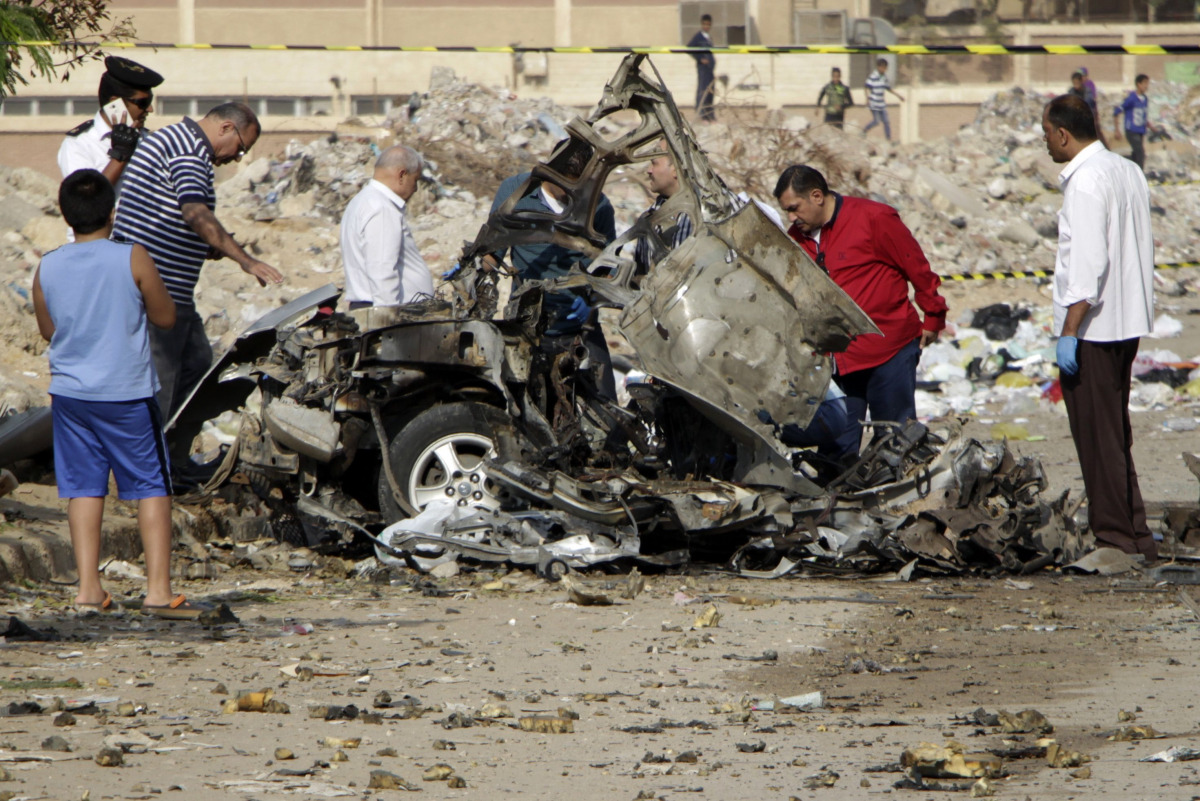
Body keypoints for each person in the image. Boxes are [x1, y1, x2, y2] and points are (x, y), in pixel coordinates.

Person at [31, 169, 203, 619]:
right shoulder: (132, 256)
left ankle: (89, 589)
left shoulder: (47, 264)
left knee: (84, 487)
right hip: (126, 392)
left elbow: (49, 330)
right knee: (151, 485)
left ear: (66, 215)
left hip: (71, 395)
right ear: (113, 211)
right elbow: (166, 317)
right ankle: (159, 591)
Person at [111, 103, 283, 448]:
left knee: (198, 366)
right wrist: (246, 261)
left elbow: (170, 215)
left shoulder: (177, 143)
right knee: (160, 382)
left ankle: (171, 457)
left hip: (167, 289)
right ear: (226, 129)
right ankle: (144, 472)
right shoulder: (189, 152)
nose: (237, 159)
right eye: (241, 149)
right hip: (156, 290)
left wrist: (207, 245)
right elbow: (194, 211)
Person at [1043, 93, 1157, 560]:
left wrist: (1069, 332)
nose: (1046, 143)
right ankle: (1137, 535)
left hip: (1093, 329)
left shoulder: (1087, 181)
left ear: (1064, 134)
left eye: (1047, 134)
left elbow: (1088, 268)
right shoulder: (1125, 169)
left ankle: (1115, 539)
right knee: (1114, 432)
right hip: (1124, 323)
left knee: (1097, 435)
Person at [774, 164, 947, 457]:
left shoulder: (874, 218)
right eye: (786, 211)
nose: (791, 217)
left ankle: (900, 502)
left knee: (894, 442)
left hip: (888, 351)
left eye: (794, 208)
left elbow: (917, 267)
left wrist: (933, 316)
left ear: (817, 196)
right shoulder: (795, 239)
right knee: (835, 447)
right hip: (837, 361)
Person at [486, 139, 618, 399]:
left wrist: (592, 303)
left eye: (578, 185)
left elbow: (609, 268)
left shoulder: (598, 205)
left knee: (608, 414)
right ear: (550, 171)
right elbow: (493, 251)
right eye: (566, 184)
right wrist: (474, 269)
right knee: (529, 413)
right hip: (528, 329)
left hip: (581, 330)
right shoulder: (516, 192)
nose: (573, 193)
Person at [340, 145, 433, 309]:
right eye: (415, 180)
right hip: (385, 314)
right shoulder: (381, 207)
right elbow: (382, 270)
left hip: (374, 308)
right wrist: (388, 321)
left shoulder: (364, 200)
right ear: (402, 175)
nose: (416, 188)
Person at [57, 56, 164, 188]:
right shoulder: (79, 144)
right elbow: (88, 201)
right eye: (143, 103)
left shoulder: (149, 140)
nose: (150, 109)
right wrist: (120, 156)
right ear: (115, 103)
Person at [633, 143, 693, 275]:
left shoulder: (705, 214)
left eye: (654, 163)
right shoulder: (648, 219)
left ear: (676, 169)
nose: (649, 170)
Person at [1113, 74, 1162, 172]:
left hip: (1140, 131)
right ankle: (1140, 177)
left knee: (1135, 155)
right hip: (1131, 130)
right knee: (1141, 154)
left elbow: (1143, 116)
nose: (1146, 86)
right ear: (1138, 84)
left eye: (1147, 83)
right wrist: (1117, 130)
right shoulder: (1131, 98)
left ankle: (1120, 163)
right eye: (1144, 83)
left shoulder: (1145, 99)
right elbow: (1116, 112)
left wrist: (1151, 127)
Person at [863, 58, 903, 141]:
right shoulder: (873, 76)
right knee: (876, 121)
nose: (883, 69)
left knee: (886, 121)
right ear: (878, 67)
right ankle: (864, 130)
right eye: (882, 67)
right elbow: (866, 87)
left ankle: (888, 139)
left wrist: (898, 96)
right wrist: (867, 99)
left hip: (881, 103)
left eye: (885, 68)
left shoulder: (884, 77)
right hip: (874, 102)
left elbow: (888, 88)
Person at [687, 14, 717, 123]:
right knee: (703, 90)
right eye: (704, 24)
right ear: (701, 24)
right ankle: (702, 114)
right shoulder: (698, 37)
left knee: (710, 91)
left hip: (710, 69)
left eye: (708, 24)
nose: (706, 26)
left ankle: (710, 115)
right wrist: (700, 59)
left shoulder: (708, 37)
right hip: (703, 69)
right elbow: (689, 48)